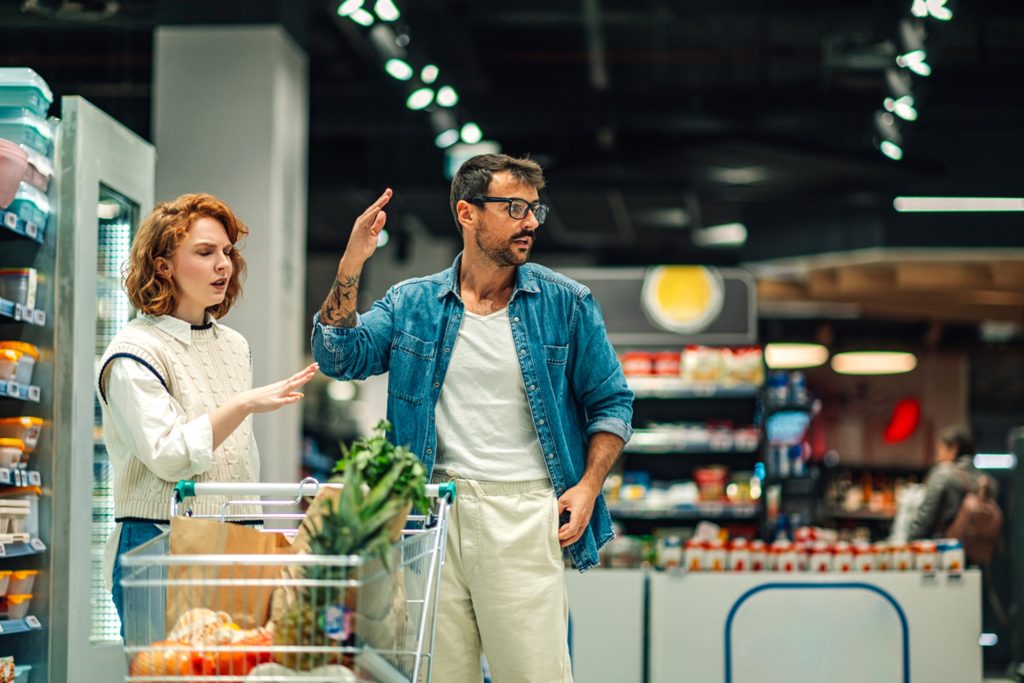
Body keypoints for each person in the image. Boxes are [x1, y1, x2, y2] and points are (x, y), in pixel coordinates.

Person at [311, 154, 634, 682]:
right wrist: (351, 265)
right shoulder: (411, 303)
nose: (530, 222)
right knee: (437, 674)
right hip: (430, 515)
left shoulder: (566, 304)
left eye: (534, 209)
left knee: (535, 676)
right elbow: (339, 357)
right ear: (467, 213)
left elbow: (612, 402)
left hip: (525, 513)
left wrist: (589, 485)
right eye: (514, 208)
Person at [97, 193, 317, 629]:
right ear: (162, 265)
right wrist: (243, 404)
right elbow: (170, 456)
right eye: (205, 252)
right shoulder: (134, 351)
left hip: (239, 540)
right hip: (158, 542)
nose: (224, 265)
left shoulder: (235, 346)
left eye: (227, 252)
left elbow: (236, 460)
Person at [907, 425, 997, 540]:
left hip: (945, 549)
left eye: (940, 449)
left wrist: (910, 539)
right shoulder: (987, 481)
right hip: (977, 550)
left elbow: (925, 517)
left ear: (954, 449)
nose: (937, 456)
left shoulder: (943, 474)